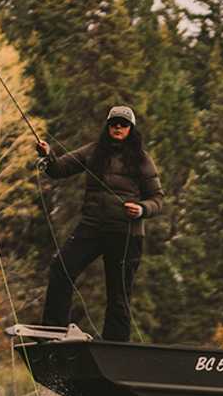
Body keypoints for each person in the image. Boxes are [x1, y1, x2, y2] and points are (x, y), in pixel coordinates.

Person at [36, 105, 164, 341]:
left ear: (131, 129)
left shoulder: (143, 160)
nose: (118, 127)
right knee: (61, 268)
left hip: (127, 233)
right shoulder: (93, 151)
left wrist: (142, 209)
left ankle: (115, 347)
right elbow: (59, 169)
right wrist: (47, 154)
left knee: (119, 294)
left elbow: (158, 199)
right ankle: (53, 332)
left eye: (123, 124)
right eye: (114, 123)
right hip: (92, 227)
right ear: (108, 126)